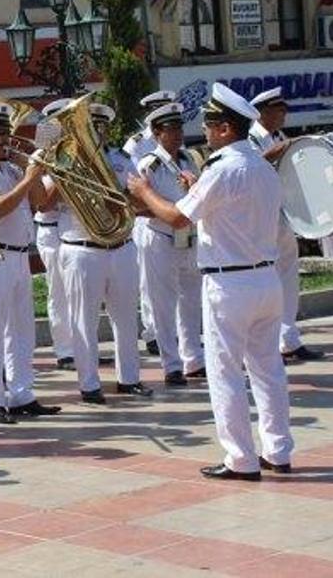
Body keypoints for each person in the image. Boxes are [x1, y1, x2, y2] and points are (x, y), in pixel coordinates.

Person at [128, 82, 295, 481]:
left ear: (224, 129)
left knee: (225, 373)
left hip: (230, 285)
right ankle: (278, 451)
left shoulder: (221, 168)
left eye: (209, 125)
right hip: (266, 280)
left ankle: (240, 458)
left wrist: (145, 191)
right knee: (268, 370)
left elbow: (178, 218)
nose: (203, 132)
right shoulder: (261, 167)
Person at [56, 103, 153, 405]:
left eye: (98, 126)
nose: (94, 132)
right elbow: (44, 203)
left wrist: (118, 199)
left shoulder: (121, 160)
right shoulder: (65, 158)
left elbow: (138, 199)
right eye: (88, 126)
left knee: (125, 318)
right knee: (83, 320)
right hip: (82, 249)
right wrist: (62, 172)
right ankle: (89, 384)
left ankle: (130, 379)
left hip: (120, 247)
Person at [0, 103, 56, 424]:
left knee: (21, 329)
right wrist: (28, 176)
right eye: (0, 134)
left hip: (18, 254)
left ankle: (22, 394)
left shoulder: (11, 168)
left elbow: (43, 203)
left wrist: (31, 171)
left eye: (8, 133)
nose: (7, 140)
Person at [249, 88, 324, 364]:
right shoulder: (250, 138)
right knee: (267, 280)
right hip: (261, 218)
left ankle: (289, 339)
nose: (284, 114)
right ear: (264, 112)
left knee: (289, 278)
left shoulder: (279, 137)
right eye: (279, 110)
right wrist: (279, 150)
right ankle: (270, 344)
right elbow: (249, 167)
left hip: (283, 215)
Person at [134, 103, 204, 386]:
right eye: (170, 130)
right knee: (163, 305)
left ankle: (194, 359)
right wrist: (171, 211)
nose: (177, 134)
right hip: (160, 236)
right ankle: (171, 365)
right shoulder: (148, 164)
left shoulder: (188, 159)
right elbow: (136, 205)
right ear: (156, 133)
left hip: (188, 236)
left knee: (191, 301)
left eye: (179, 128)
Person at [125, 90, 177, 358]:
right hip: (147, 216)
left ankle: (171, 332)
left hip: (170, 217)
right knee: (149, 280)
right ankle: (152, 332)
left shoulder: (176, 144)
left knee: (172, 282)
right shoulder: (136, 145)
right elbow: (133, 182)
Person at [33, 99, 75, 371]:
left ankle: (82, 345)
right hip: (51, 230)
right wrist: (63, 172)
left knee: (78, 293)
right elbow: (42, 203)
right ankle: (64, 350)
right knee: (59, 291)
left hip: (75, 229)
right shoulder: (39, 157)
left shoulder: (74, 151)